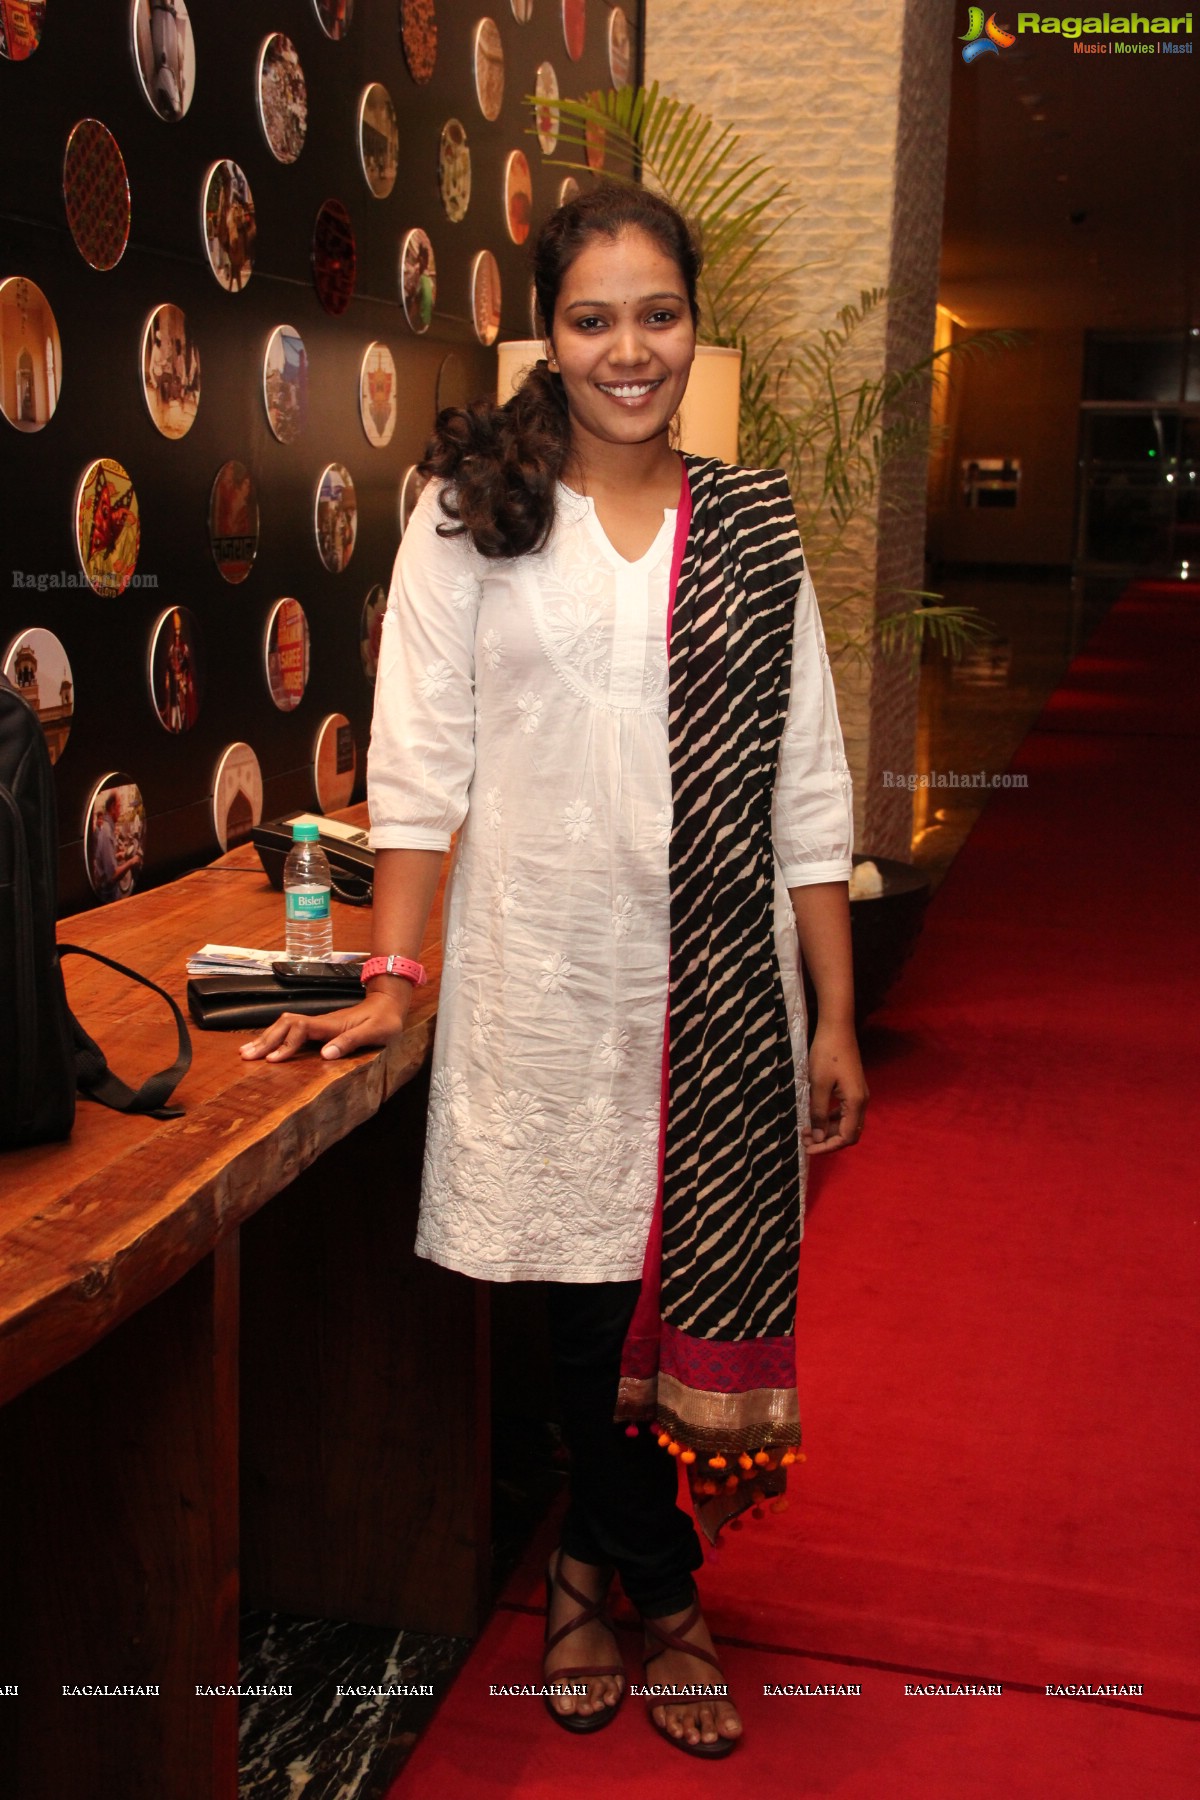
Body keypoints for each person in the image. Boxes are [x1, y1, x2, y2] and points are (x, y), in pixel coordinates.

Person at [241, 182, 868, 1759]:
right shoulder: (473, 510)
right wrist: (394, 973)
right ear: (549, 334)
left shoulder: (750, 526)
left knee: (646, 1315)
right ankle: (662, 1592)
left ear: (693, 323)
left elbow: (808, 781)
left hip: (715, 1003)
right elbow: (421, 764)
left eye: (658, 312)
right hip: (541, 980)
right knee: (583, 1314)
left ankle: (595, 1563)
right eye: (595, 318)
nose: (630, 348)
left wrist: (840, 1012)